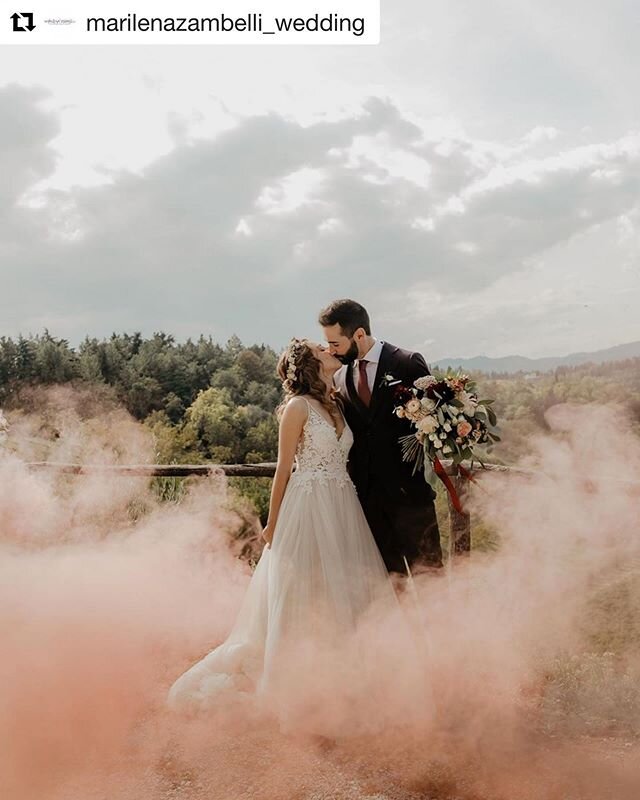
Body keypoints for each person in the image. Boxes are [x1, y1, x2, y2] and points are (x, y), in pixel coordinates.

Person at [167, 338, 397, 715]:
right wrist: (272, 523)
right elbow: (282, 469)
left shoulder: (336, 402)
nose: (331, 350)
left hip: (343, 506)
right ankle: (293, 681)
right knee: (301, 591)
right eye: (322, 348)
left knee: (342, 588)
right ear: (310, 363)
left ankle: (343, 674)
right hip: (306, 508)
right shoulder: (297, 408)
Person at [319, 299, 443, 575]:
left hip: (411, 501)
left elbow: (434, 422)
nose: (331, 350)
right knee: (387, 591)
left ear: (359, 334)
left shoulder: (406, 363)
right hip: (368, 507)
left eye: (336, 343)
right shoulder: (340, 376)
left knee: (431, 582)